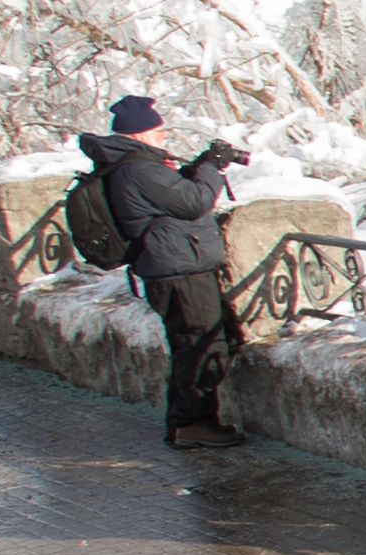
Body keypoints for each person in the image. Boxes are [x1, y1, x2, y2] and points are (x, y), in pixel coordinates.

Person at [74, 97, 248, 447]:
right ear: (139, 133)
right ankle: (193, 423)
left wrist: (200, 165)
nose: (163, 135)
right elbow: (193, 202)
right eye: (159, 130)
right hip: (177, 270)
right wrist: (213, 168)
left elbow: (173, 196)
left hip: (178, 265)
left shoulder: (135, 165)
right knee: (199, 344)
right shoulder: (138, 169)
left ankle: (190, 420)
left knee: (205, 340)